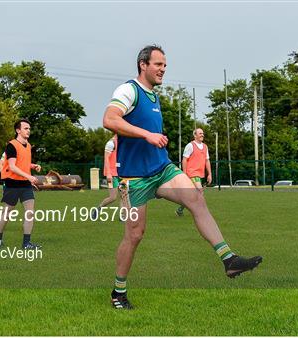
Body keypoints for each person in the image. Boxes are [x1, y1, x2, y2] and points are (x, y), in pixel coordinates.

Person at [103, 45, 262, 310]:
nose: (163, 69)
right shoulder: (128, 90)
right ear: (143, 64)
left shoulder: (154, 96)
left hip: (162, 169)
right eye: (158, 64)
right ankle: (118, 292)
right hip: (134, 180)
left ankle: (228, 260)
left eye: (165, 65)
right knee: (135, 235)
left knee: (196, 198)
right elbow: (109, 119)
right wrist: (146, 134)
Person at [0, 118, 42, 249]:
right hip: (12, 184)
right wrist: (30, 177)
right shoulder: (11, 145)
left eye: (29, 129)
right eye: (26, 128)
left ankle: (26, 243)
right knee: (7, 214)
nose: (29, 131)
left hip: (25, 184)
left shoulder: (29, 146)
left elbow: (23, 163)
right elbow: (12, 166)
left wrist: (33, 166)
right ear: (18, 130)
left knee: (30, 212)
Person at [176, 128, 212, 216]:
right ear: (195, 135)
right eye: (200, 133)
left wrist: (209, 174)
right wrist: (184, 174)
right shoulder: (190, 145)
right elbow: (184, 159)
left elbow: (207, 160)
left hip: (200, 174)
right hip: (192, 173)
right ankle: (202, 212)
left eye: (203, 133)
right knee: (200, 191)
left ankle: (180, 210)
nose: (202, 135)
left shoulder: (205, 147)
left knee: (191, 195)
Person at [92, 135, 120, 219]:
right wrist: (108, 174)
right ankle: (98, 209)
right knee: (113, 197)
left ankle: (123, 216)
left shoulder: (123, 142)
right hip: (111, 175)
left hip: (121, 174)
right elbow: (106, 159)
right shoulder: (111, 143)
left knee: (123, 195)